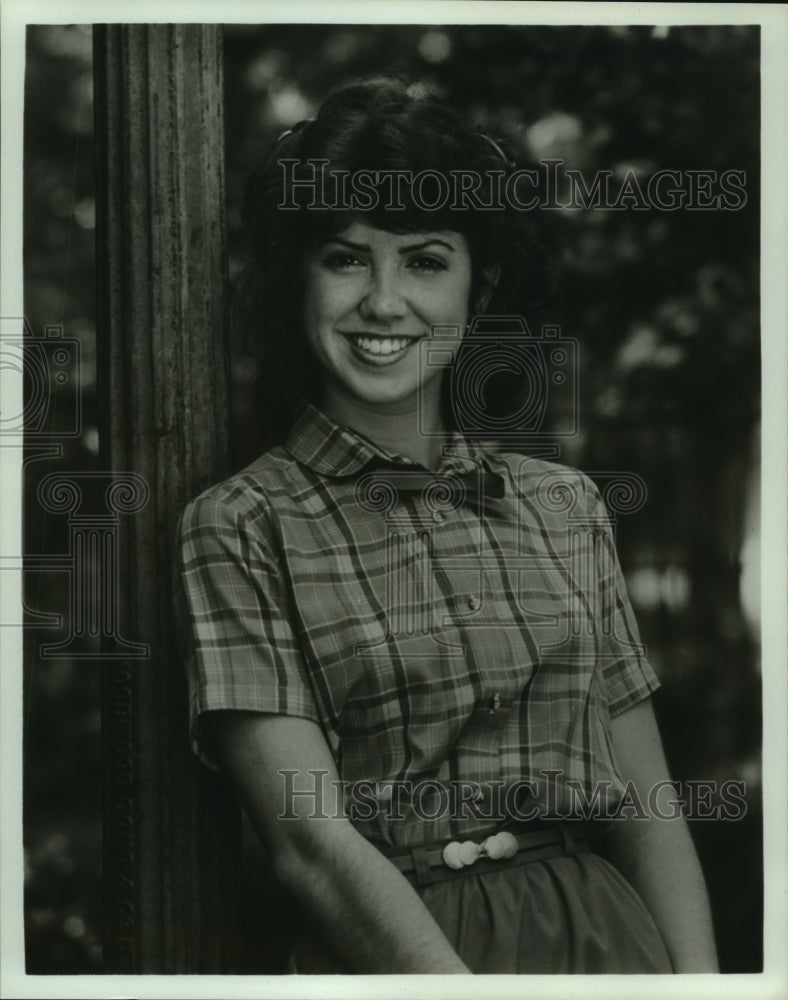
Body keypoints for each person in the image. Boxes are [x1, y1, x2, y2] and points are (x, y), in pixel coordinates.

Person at [174, 76, 719, 974]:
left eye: (425, 260)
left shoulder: (567, 505)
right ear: (297, 277)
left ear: (479, 283)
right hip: (403, 958)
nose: (384, 302)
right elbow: (311, 851)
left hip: (613, 947)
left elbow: (647, 803)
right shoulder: (240, 524)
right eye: (346, 257)